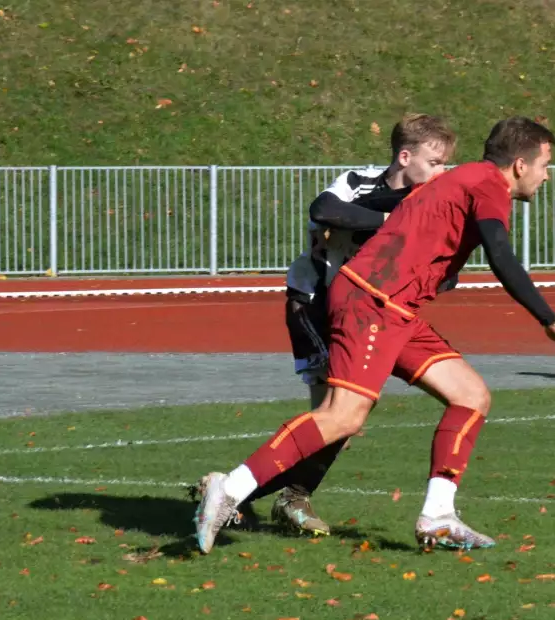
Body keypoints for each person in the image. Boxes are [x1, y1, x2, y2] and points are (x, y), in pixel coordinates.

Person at [193, 116, 555, 554]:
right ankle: (230, 488)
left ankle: (438, 516)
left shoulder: (457, 178)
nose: (547, 174)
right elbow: (500, 255)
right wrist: (549, 319)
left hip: (395, 307)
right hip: (373, 300)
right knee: (343, 416)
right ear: (518, 165)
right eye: (546, 164)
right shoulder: (487, 184)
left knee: (471, 396)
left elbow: (392, 202)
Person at [192, 114, 457, 537]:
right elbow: (325, 209)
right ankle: (251, 495)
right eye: (436, 162)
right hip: (314, 303)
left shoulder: (428, 203)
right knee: (336, 418)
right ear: (406, 157)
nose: (442, 172)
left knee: (342, 422)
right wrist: (395, 226)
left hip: (361, 313)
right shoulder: (359, 182)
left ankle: (251, 494)